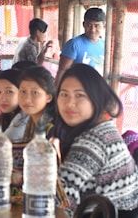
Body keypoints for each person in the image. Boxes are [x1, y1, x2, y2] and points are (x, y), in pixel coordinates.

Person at [53, 63, 138, 217]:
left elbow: (60, 198)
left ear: (96, 99)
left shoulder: (93, 141)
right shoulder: (103, 125)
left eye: (80, 95)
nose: (69, 103)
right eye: (64, 94)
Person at [55, 7, 106, 86]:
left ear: (104, 26)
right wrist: (57, 93)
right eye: (89, 25)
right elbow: (62, 71)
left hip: (96, 91)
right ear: (83, 24)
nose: (92, 29)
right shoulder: (74, 44)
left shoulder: (104, 45)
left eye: (97, 26)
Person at [18, 66, 56, 141]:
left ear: (48, 97)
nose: (27, 99)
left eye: (35, 93)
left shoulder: (52, 129)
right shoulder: (31, 119)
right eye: (23, 91)